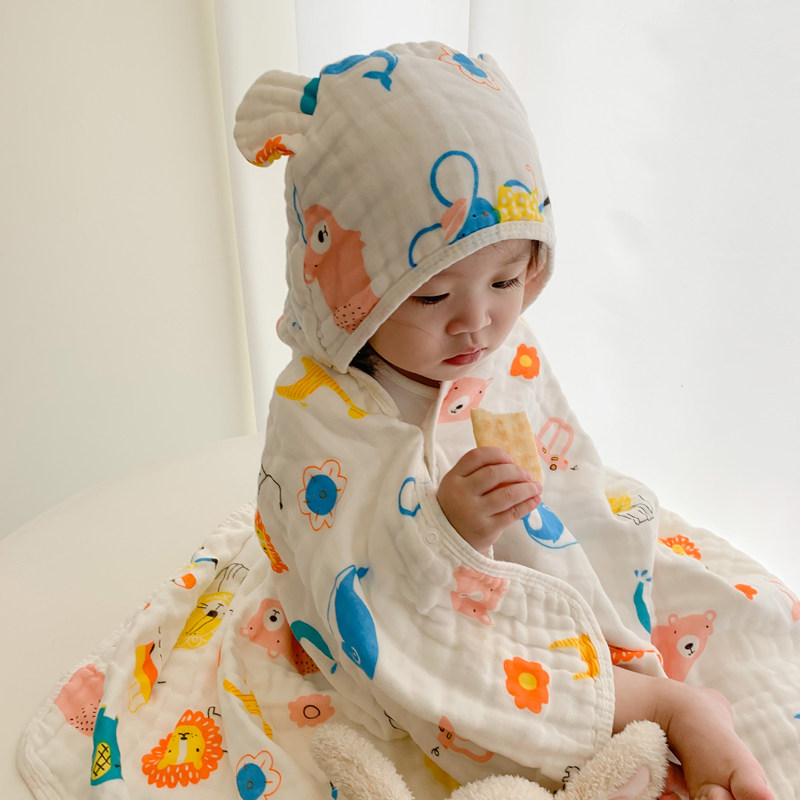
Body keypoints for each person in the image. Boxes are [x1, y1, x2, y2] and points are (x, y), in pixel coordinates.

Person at [234, 42, 786, 797]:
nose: (478, 323)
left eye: (505, 279)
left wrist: (535, 520)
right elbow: (344, 574)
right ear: (347, 291)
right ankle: (658, 711)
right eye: (433, 296)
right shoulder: (318, 409)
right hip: (409, 596)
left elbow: (565, 474)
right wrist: (448, 530)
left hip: (520, 563)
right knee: (440, 690)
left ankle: (653, 698)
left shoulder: (500, 346)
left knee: (624, 554)